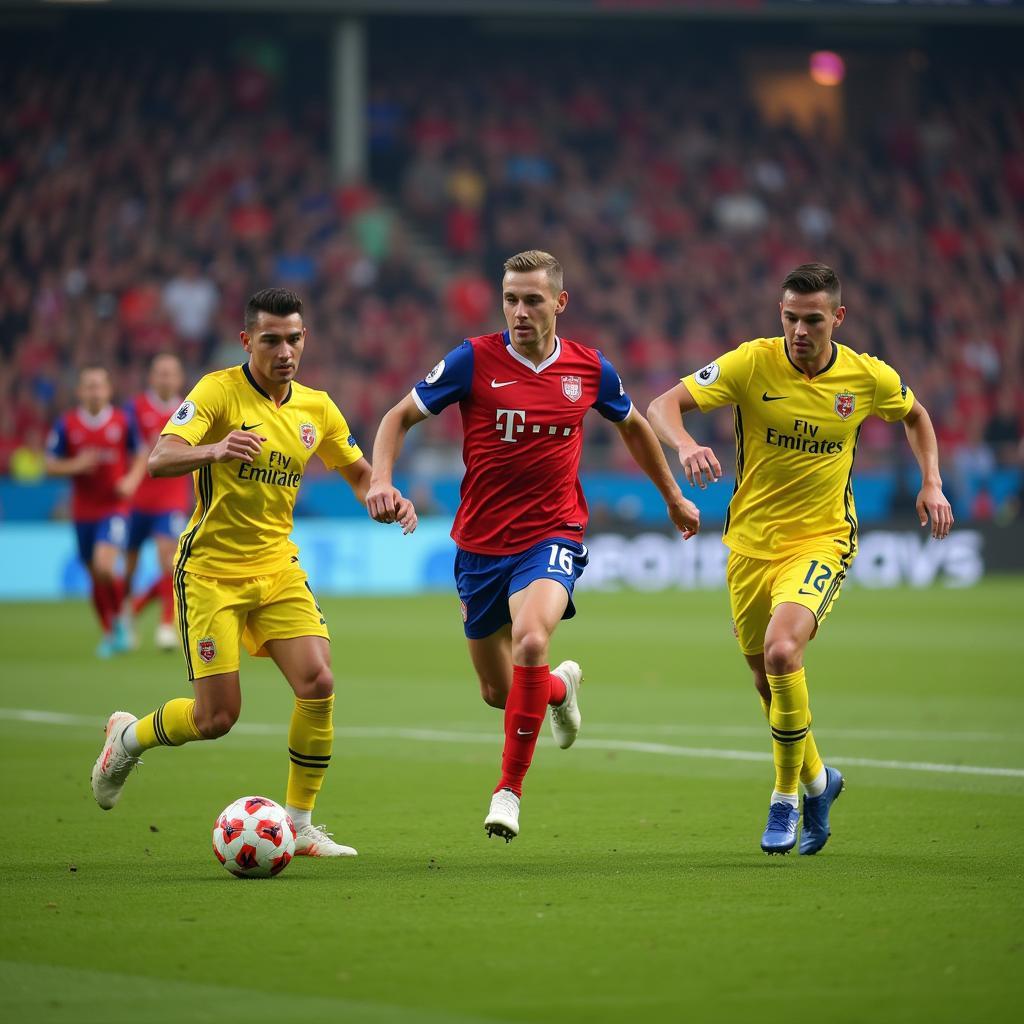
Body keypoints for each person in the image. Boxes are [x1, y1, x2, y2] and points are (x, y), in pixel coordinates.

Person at [367, 250, 700, 842]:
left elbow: (633, 427)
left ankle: (508, 793)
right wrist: (382, 479)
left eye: (533, 300)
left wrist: (672, 496)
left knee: (531, 637)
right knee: (500, 693)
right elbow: (397, 418)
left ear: (560, 303)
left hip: (553, 533)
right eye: (511, 300)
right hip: (478, 545)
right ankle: (557, 688)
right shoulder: (472, 360)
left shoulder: (589, 369)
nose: (519, 312)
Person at [90, 288, 418, 858]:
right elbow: (160, 458)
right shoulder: (217, 390)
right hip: (212, 570)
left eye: (293, 338)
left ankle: (300, 822)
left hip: (276, 566)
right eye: (271, 340)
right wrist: (215, 450)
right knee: (217, 717)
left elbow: (361, 475)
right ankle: (127, 738)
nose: (284, 350)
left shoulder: (317, 407)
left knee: (318, 681)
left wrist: (386, 495)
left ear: (304, 338)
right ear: (248, 341)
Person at [647, 262, 953, 856]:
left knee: (784, 651)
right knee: (768, 683)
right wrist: (685, 444)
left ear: (837, 317)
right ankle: (820, 779)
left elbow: (916, 415)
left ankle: (786, 797)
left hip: (822, 539)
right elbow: (662, 405)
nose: (800, 330)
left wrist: (932, 482)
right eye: (790, 318)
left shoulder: (866, 377)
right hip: (749, 544)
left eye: (813, 319)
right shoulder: (750, 363)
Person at [46, 365, 148, 657]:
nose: (94, 391)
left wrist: (130, 480)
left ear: (108, 390)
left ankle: (122, 619)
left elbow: (141, 453)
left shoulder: (122, 421)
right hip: (83, 512)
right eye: (89, 386)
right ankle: (110, 630)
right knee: (95, 577)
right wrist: (75, 465)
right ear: (80, 391)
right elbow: (50, 464)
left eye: (99, 386)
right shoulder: (67, 425)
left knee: (105, 566)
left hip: (114, 508)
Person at [123, 353, 193, 651]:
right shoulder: (134, 409)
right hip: (136, 499)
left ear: (179, 379)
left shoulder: (188, 409)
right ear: (151, 377)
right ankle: (129, 613)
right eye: (160, 373)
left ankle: (166, 625)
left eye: (171, 373)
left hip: (171, 498)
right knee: (129, 567)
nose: (165, 378)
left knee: (169, 561)